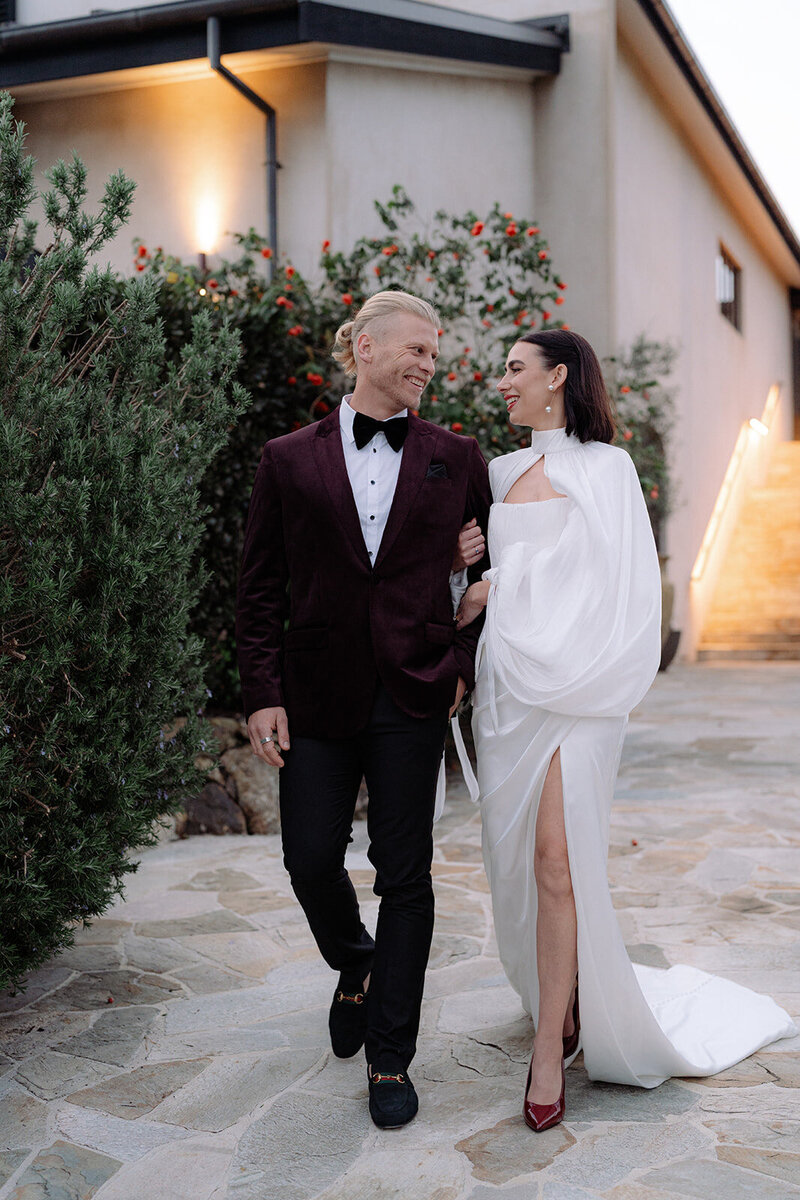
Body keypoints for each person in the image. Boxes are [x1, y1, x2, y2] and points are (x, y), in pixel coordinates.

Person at [454, 329, 796, 1132]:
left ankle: (550, 1048)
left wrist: (501, 581)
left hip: (582, 691)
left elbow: (616, 585)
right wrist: (466, 570)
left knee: (557, 860)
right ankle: (558, 996)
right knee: (516, 863)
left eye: (515, 368)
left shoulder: (608, 469)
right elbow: (465, 583)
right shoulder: (497, 473)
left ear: (558, 376)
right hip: (509, 693)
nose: (502, 381)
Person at [236, 290, 491, 1129]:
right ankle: (357, 961)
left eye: (434, 353)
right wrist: (263, 691)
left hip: (415, 687)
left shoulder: (457, 456)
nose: (428, 364)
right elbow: (260, 586)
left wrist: (461, 666)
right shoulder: (286, 458)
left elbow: (496, 577)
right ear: (367, 347)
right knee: (309, 859)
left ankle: (390, 1059)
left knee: (405, 874)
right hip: (316, 692)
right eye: (416, 349)